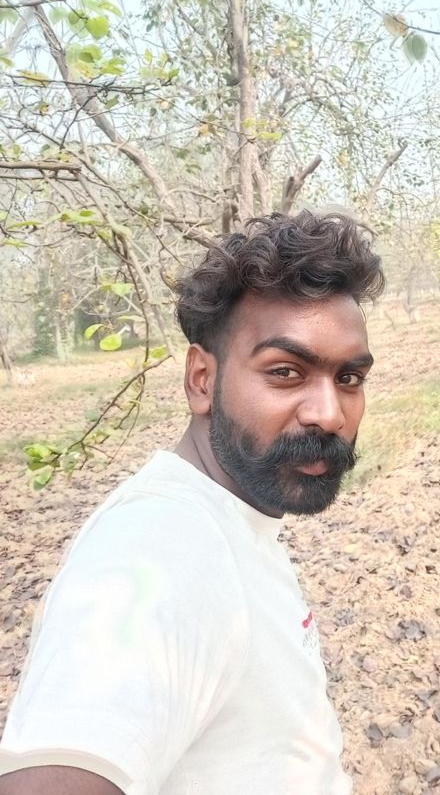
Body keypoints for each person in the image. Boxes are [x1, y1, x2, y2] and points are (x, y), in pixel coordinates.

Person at [0, 211, 385, 795]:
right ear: (202, 379)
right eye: (286, 372)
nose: (329, 414)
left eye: (349, 379)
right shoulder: (158, 545)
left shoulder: (232, 514)